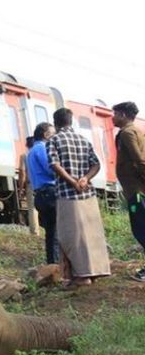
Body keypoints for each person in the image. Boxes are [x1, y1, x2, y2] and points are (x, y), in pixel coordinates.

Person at [48, 107, 111, 286]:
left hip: (68, 194)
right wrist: (85, 178)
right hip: (87, 193)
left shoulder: (54, 140)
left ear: (56, 123)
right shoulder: (83, 140)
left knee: (70, 235)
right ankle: (96, 271)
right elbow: (96, 164)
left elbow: (54, 164)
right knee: (91, 234)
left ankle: (80, 276)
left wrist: (73, 181)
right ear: (71, 121)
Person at [113, 101, 145, 281]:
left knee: (140, 227)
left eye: (115, 113)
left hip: (137, 191)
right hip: (134, 190)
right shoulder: (134, 131)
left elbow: (139, 160)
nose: (113, 117)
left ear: (124, 115)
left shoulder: (127, 133)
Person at [27, 123, 58, 264]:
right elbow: (51, 169)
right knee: (57, 230)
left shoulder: (32, 150)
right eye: (53, 133)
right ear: (46, 134)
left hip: (40, 194)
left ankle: (52, 263)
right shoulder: (42, 148)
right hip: (49, 192)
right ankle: (57, 264)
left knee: (50, 232)